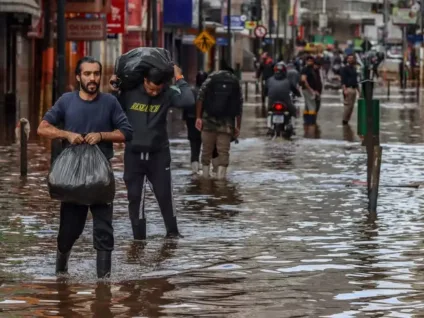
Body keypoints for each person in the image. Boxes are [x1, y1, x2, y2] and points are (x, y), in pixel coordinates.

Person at [37, 56, 133, 278]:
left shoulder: (110, 102)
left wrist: (101, 135)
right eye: (88, 74)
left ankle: (103, 284)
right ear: (78, 77)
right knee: (69, 232)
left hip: (101, 178)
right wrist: (66, 134)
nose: (93, 78)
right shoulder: (66, 101)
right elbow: (43, 128)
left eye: (96, 74)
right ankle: (61, 272)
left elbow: (126, 132)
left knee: (104, 231)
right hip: (72, 179)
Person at [110, 64, 194, 241]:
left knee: (165, 195)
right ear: (144, 80)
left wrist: (179, 78)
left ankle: (172, 235)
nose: (154, 92)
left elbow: (188, 101)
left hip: (159, 154)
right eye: (150, 88)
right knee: (135, 198)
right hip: (133, 154)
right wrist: (114, 87)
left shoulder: (167, 93)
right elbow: (110, 106)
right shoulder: (129, 92)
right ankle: (139, 240)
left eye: (158, 89)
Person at [195, 62, 243, 180]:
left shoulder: (211, 78)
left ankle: (205, 180)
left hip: (208, 121)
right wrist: (238, 126)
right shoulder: (235, 81)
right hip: (226, 124)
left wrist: (198, 117)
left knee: (206, 151)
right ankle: (221, 182)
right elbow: (239, 105)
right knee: (223, 152)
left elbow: (200, 97)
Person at [183, 71, 218, 174]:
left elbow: (185, 109)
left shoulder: (190, 91)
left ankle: (195, 172)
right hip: (207, 122)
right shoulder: (211, 93)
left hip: (192, 122)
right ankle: (214, 171)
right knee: (212, 148)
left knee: (194, 147)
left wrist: (187, 121)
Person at [266, 62, 301, 134]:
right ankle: (292, 127)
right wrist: (298, 94)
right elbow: (294, 90)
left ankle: (269, 127)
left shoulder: (269, 80)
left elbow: (265, 91)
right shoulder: (288, 80)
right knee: (294, 111)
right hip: (286, 102)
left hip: (272, 103)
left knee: (269, 111)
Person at [341, 54, 360, 125]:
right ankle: (344, 121)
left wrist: (359, 91)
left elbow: (356, 81)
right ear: (347, 59)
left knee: (351, 107)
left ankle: (347, 121)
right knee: (348, 106)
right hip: (348, 89)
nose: (351, 59)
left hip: (354, 89)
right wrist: (344, 89)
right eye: (349, 58)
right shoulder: (344, 68)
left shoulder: (354, 69)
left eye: (352, 58)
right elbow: (343, 80)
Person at [300, 56, 320, 125]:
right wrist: (311, 90)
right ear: (306, 61)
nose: (310, 62)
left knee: (307, 106)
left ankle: (306, 121)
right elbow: (303, 80)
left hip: (310, 90)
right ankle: (311, 122)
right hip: (307, 90)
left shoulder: (311, 69)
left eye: (311, 61)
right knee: (312, 106)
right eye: (308, 61)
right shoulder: (305, 69)